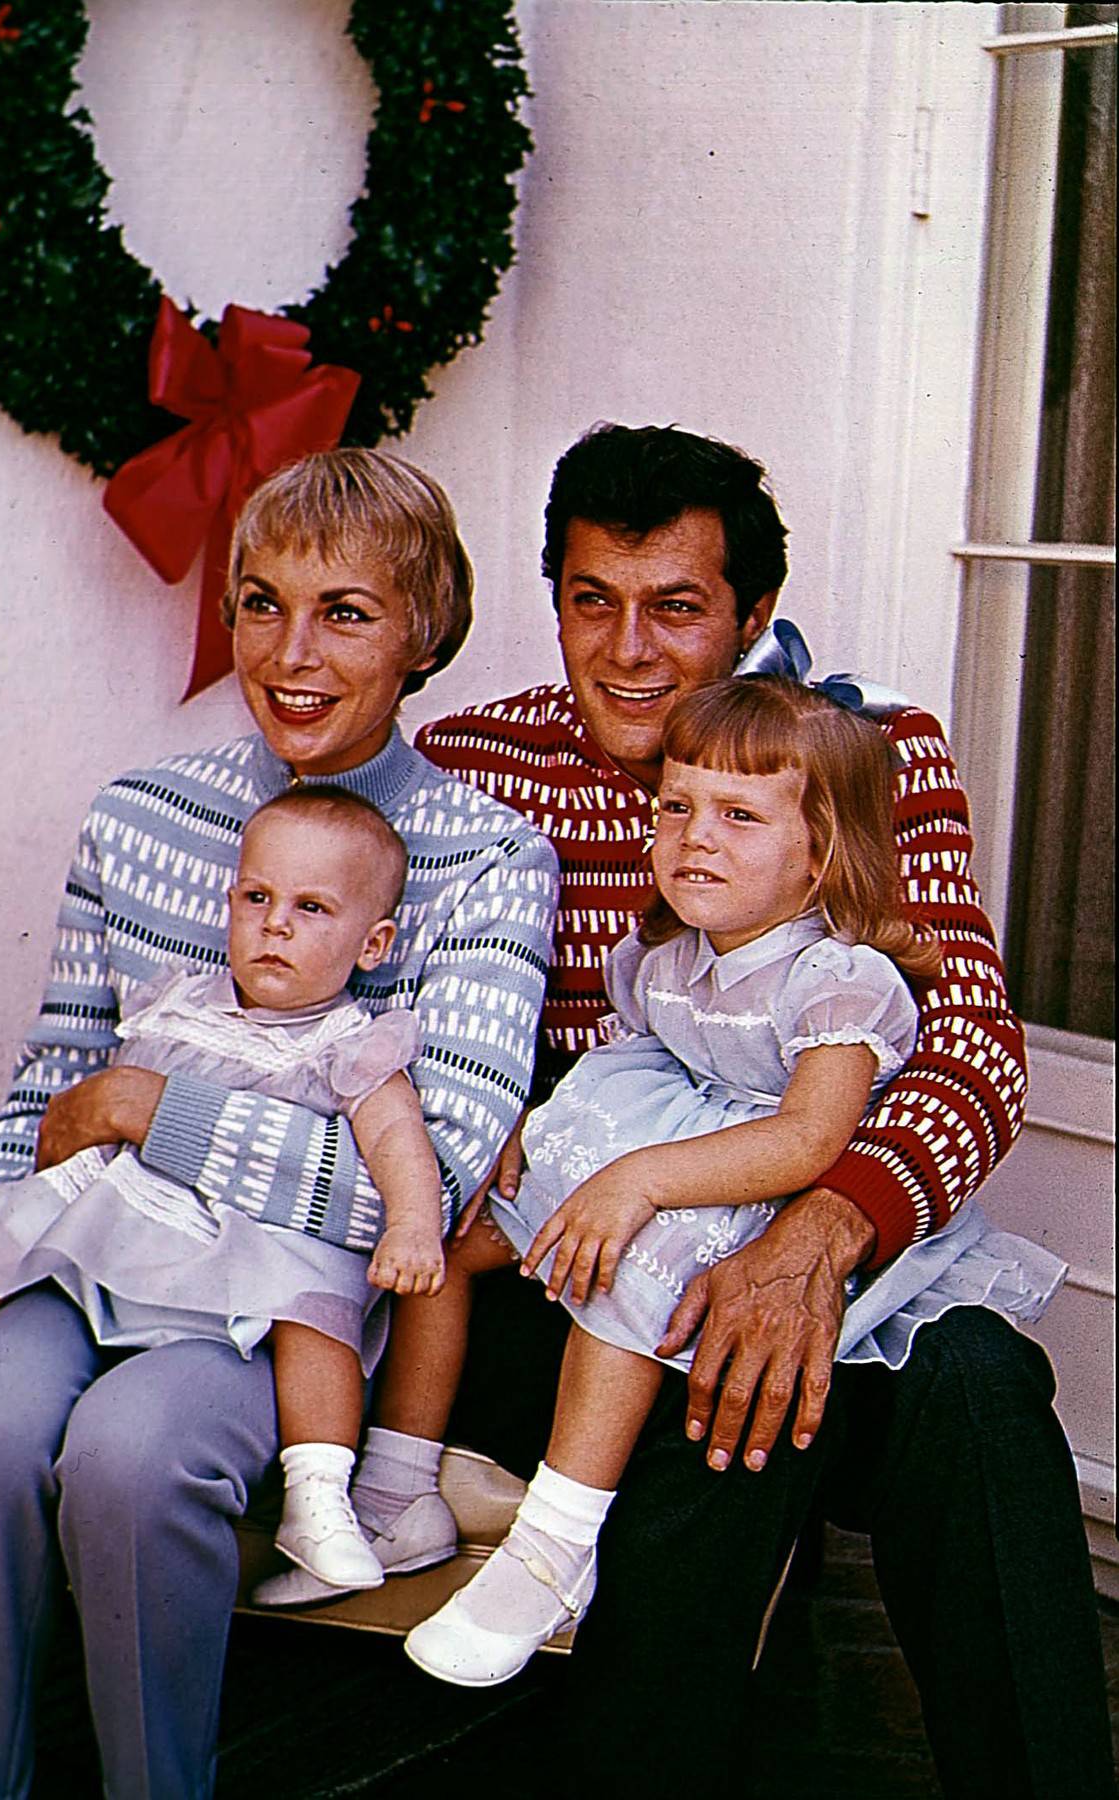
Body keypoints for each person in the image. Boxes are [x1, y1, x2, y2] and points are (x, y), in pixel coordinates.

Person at [257, 423, 1113, 1798]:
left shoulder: (865, 753)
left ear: (752, 617)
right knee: (711, 1413)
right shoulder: (482, 764)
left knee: (976, 1381)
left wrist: (814, 1241)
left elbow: (968, 1054)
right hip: (591, 1258)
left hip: (816, 1220)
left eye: (674, 608)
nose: (627, 651)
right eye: (590, 601)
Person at [0, 448, 558, 1800]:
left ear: (422, 632)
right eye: (259, 602)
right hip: (88, 1248)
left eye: (344, 612)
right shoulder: (140, 817)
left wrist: (150, 1106)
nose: (290, 652)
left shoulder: (484, 859)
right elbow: (52, 1086)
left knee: (133, 1457)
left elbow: (425, 1189)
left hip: (284, 1313)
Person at [392, 675, 1061, 1686]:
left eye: (737, 817)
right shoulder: (667, 951)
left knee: (629, 1281)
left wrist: (639, 1179)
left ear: (819, 854)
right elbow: (635, 1056)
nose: (692, 838)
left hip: (752, 1187)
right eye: (674, 807)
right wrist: (539, 1130)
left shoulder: (838, 978)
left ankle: (551, 1546)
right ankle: (392, 1481)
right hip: (661, 1143)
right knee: (457, 1235)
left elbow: (803, 1140)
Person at [0, 787, 449, 1591]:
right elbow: (82, 1110)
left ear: (372, 944)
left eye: (312, 908)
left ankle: (319, 1497)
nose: (275, 924)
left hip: (256, 1246)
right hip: (139, 1222)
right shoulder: (181, 1003)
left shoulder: (352, 1042)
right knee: (29, 1210)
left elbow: (394, 1140)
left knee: (317, 1311)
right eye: (257, 897)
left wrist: (412, 1223)